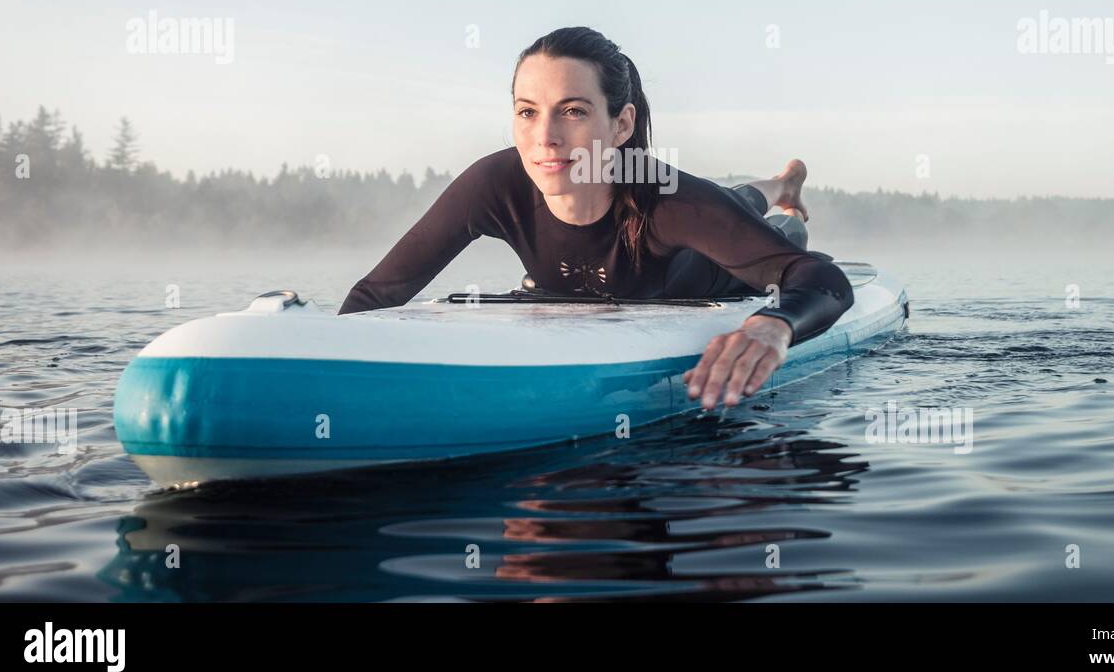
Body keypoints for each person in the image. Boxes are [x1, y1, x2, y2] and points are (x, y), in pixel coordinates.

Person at [338, 26, 855, 410]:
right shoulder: (494, 184)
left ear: (621, 123)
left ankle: (783, 192)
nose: (545, 138)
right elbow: (377, 294)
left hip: (712, 267)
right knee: (734, 198)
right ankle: (781, 184)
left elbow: (820, 280)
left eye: (574, 111)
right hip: (681, 229)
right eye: (527, 111)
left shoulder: (665, 197)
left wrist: (774, 325)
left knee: (750, 211)